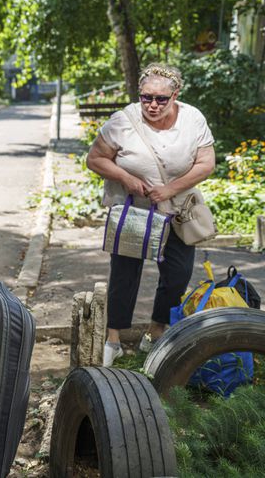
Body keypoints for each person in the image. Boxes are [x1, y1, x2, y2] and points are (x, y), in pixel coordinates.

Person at [86, 63, 216, 367]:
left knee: (178, 274)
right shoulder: (123, 121)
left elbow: (206, 163)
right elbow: (95, 158)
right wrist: (127, 179)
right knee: (124, 273)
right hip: (134, 210)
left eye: (160, 99)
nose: (153, 105)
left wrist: (171, 189)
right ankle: (113, 339)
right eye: (146, 98)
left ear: (175, 95)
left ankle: (155, 332)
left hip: (176, 211)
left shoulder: (193, 118)